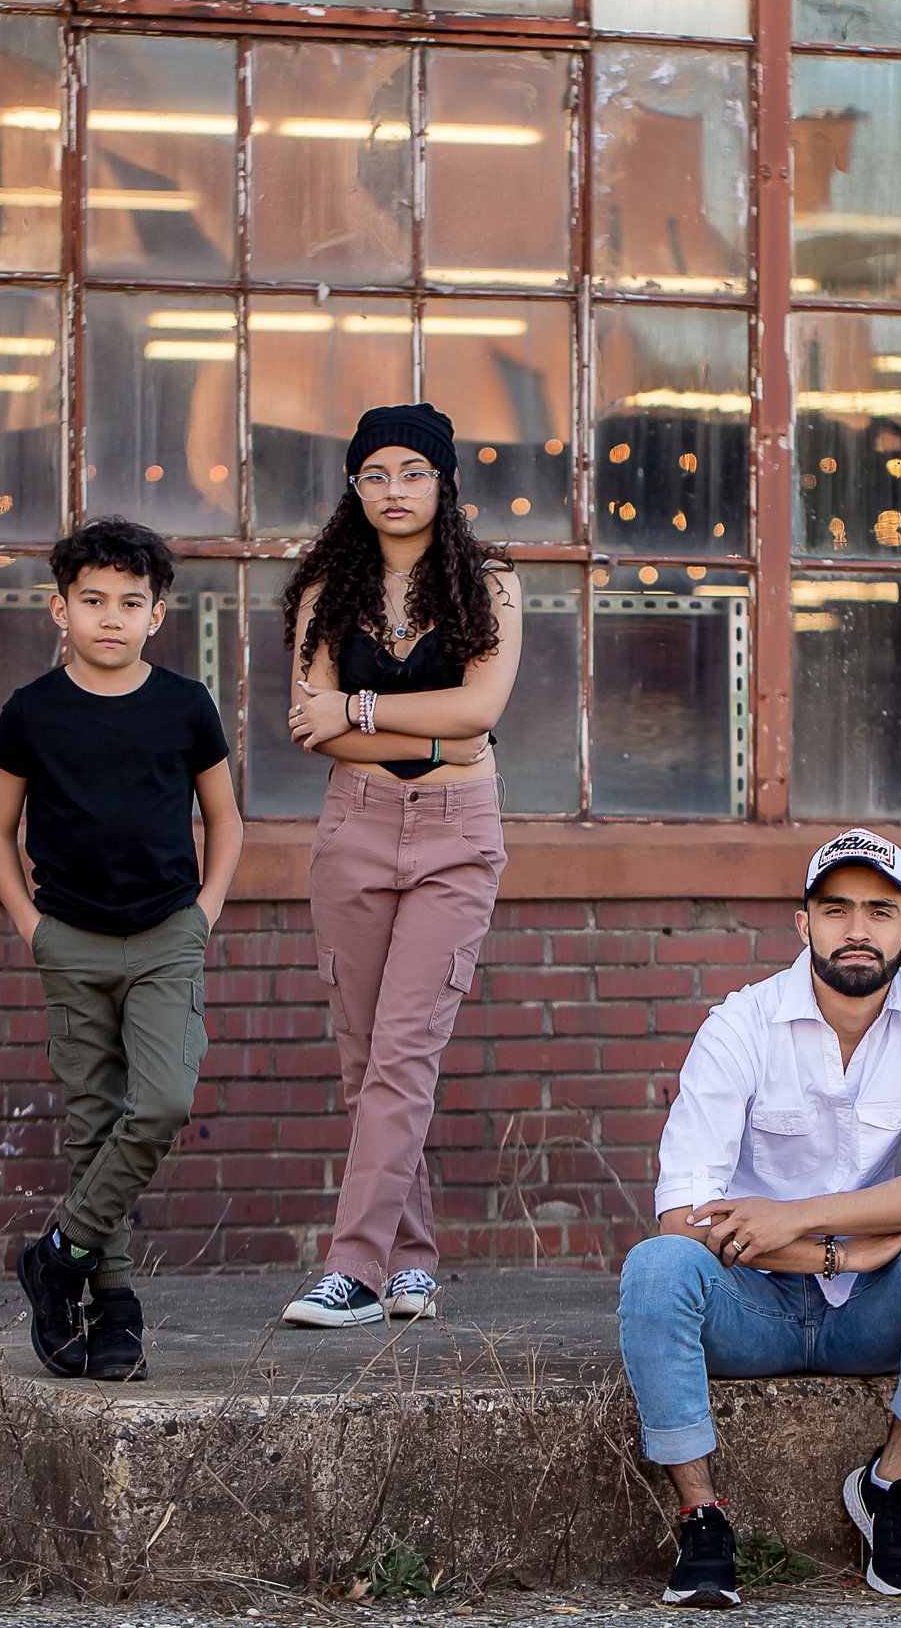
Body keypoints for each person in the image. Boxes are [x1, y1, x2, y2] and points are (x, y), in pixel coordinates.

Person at [619, 830, 901, 1607]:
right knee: (655, 1268)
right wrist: (838, 1253)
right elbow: (680, 1216)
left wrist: (805, 1225)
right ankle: (701, 1516)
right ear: (803, 923)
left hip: (871, 1308)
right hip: (749, 1304)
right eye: (836, 909)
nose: (857, 928)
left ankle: (891, 1484)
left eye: (880, 910)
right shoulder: (741, 1023)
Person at [278, 403, 522, 1329]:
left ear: (443, 483)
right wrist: (428, 726)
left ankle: (350, 1269)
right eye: (374, 474)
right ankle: (411, 1262)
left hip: (459, 832)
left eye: (412, 473)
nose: (393, 490)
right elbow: (309, 721)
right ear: (354, 487)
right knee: (365, 1060)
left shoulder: (488, 585)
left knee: (406, 1052)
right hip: (357, 827)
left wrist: (363, 709)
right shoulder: (326, 589)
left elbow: (481, 710)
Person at [0, 519, 242, 1383]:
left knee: (161, 1099)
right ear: (59, 609)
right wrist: (33, 928)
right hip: (71, 940)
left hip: (168, 933)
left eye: (131, 603)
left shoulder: (183, 705)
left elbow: (225, 819)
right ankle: (113, 1303)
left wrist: (203, 912)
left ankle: (58, 1254)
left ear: (158, 614)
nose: (110, 617)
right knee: (94, 1121)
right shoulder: (32, 712)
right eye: (92, 601)